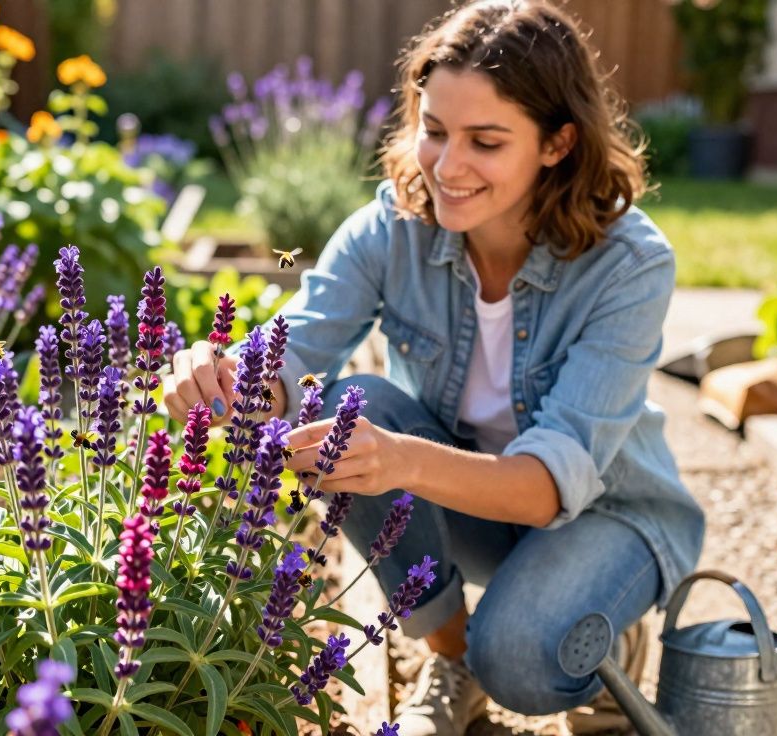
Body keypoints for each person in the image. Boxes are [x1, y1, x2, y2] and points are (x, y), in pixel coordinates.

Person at [164, 1, 705, 733]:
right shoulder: (393, 226)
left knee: (522, 661)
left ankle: (601, 627)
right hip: (470, 498)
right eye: (435, 130)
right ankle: (451, 661)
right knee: (351, 406)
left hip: (608, 515)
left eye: (485, 141)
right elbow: (291, 352)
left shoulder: (629, 265)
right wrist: (216, 376)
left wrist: (399, 462)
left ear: (557, 143)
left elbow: (549, 486)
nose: (447, 167)